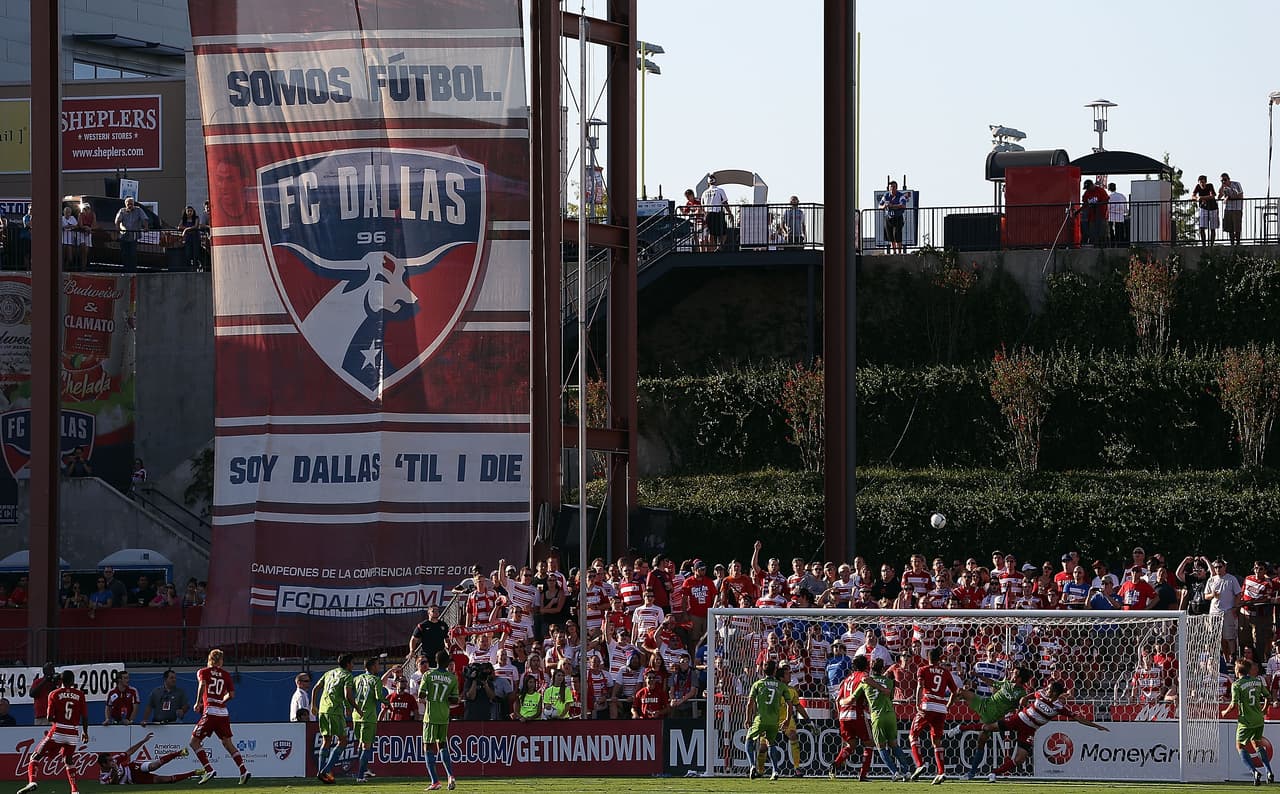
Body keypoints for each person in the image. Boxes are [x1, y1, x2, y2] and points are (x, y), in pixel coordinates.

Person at [983, 679, 1109, 780]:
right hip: (1020, 720)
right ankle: (963, 727)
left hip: (1030, 730)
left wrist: (1097, 726)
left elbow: (1078, 718)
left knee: (1020, 758)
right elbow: (1028, 696)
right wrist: (1024, 699)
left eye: (1049, 688)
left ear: (1054, 693)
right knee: (990, 727)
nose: (1046, 689)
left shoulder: (1059, 707)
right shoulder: (1041, 693)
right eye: (1047, 688)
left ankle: (994, 773)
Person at [18, 670, 88, 794]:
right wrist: (85, 732)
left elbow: (49, 717)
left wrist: (57, 721)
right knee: (68, 761)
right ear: (72, 681)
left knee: (35, 756)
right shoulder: (80, 694)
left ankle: (32, 781)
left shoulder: (54, 694)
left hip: (58, 731)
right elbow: (85, 716)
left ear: (60, 681)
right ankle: (74, 790)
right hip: (73, 733)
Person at [959, 667, 1033, 780]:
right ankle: (947, 711)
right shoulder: (1006, 683)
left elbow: (1021, 708)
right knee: (960, 692)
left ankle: (971, 773)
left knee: (981, 741)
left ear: (1019, 678)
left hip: (992, 718)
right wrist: (977, 675)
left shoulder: (1021, 693)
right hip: (984, 704)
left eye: (1015, 673)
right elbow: (992, 683)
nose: (1012, 673)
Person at [190, 648, 249, 785]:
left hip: (210, 711)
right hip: (223, 712)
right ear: (221, 661)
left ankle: (208, 769)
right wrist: (222, 700)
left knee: (194, 742)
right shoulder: (226, 675)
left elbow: (202, 685)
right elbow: (232, 695)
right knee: (227, 743)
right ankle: (243, 770)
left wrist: (198, 702)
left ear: (209, 659)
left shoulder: (203, 672)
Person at [908, 647, 962, 784]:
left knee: (913, 735)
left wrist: (917, 704)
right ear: (939, 659)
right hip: (941, 709)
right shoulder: (946, 672)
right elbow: (955, 693)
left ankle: (920, 764)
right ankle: (941, 772)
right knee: (937, 741)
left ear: (928, 657)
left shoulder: (923, 669)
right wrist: (948, 706)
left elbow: (920, 686)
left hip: (928, 705)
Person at [856, 657, 914, 781]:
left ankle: (895, 773)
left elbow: (854, 697)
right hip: (890, 715)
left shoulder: (865, 683)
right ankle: (907, 771)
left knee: (881, 747)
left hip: (877, 716)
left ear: (871, 668)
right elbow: (891, 696)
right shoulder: (889, 682)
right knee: (894, 744)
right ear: (883, 669)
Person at [1225, 658, 1274, 785]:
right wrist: (1263, 710)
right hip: (1259, 719)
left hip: (1246, 721)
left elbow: (1234, 704)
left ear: (1237, 670)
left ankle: (1254, 772)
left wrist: (1224, 712)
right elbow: (1268, 697)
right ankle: (1269, 771)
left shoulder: (1236, 685)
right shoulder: (1257, 682)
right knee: (1256, 744)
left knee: (1240, 746)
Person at [312, 653, 357, 784]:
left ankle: (322, 772)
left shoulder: (329, 673)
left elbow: (315, 688)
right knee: (343, 741)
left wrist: (313, 705)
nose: (353, 666)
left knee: (326, 741)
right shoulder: (347, 675)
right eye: (352, 663)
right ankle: (326, 770)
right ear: (348, 664)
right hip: (335, 711)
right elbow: (347, 694)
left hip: (323, 709)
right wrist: (349, 707)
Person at [418, 650, 459, 792]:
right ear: (447, 663)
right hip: (444, 716)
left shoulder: (428, 675)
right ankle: (450, 775)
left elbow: (421, 695)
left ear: (435, 661)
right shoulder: (452, 678)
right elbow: (455, 700)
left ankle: (435, 781)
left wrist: (430, 696)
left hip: (431, 716)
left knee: (428, 748)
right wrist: (444, 699)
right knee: (442, 745)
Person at [97, 731, 198, 785]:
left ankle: (180, 753)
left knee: (153, 766)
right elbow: (114, 784)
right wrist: (114, 772)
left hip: (132, 767)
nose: (113, 761)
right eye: (110, 761)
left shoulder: (115, 759)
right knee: (163, 780)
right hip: (134, 779)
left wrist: (143, 741)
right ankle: (195, 772)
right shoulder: (103, 778)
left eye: (112, 759)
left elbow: (129, 752)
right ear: (104, 765)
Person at [743, 661, 786, 780]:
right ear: (775, 671)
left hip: (760, 719)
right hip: (774, 721)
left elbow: (749, 703)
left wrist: (747, 718)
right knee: (771, 744)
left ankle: (752, 766)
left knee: (749, 739)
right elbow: (789, 703)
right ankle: (775, 771)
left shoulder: (757, 684)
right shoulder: (781, 685)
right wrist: (787, 719)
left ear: (763, 671)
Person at [351, 656, 385, 783]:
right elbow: (378, 696)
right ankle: (360, 776)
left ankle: (363, 770)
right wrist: (387, 703)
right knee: (366, 746)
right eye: (377, 665)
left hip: (356, 716)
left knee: (361, 744)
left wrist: (349, 707)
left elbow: (348, 694)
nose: (379, 667)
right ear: (372, 667)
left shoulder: (356, 679)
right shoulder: (376, 680)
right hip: (368, 716)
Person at [1207, 558, 1243, 657]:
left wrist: (1235, 607)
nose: (1217, 569)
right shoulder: (1211, 579)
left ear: (1224, 567)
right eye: (1215, 567)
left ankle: (1233, 656)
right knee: (1214, 635)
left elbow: (1238, 594)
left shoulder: (1231, 579)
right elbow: (1206, 596)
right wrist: (1212, 595)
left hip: (1227, 611)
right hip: (1214, 611)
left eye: (1220, 567)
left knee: (1230, 636)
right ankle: (1216, 656)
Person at [114, 196, 148, 273]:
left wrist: (146, 227)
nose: (130, 205)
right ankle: (126, 269)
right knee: (125, 253)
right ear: (125, 204)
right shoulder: (122, 211)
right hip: (124, 235)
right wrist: (118, 229)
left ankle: (133, 269)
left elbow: (144, 219)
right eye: (128, 204)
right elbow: (117, 221)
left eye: (131, 204)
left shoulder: (138, 210)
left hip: (134, 235)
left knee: (133, 253)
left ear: (133, 204)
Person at [700, 175, 732, 252]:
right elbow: (725, 202)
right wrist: (730, 213)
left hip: (708, 214)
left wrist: (705, 215)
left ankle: (712, 250)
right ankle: (719, 247)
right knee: (723, 232)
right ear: (715, 181)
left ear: (708, 183)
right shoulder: (720, 190)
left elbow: (702, 205)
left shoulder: (704, 192)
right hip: (718, 213)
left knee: (711, 233)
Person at [1079, 179, 1110, 247]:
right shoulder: (1087, 193)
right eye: (1086, 188)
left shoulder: (1101, 191)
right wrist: (1078, 211)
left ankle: (1104, 248)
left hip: (1102, 216)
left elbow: (1107, 199)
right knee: (1093, 234)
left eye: (1088, 187)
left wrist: (1098, 204)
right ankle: (1095, 247)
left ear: (1092, 185)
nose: (1088, 189)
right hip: (1092, 217)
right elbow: (1085, 203)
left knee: (1102, 233)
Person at [1192, 174, 1219, 245]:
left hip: (1213, 208)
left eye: (1203, 182)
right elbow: (1193, 196)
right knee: (1202, 227)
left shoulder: (1210, 186)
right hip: (1203, 208)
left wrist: (1202, 198)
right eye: (1200, 182)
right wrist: (1197, 198)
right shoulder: (1197, 187)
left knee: (1213, 228)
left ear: (1206, 182)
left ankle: (1211, 244)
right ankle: (1204, 244)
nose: (1202, 184)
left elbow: (1212, 196)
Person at [1219, 173, 1245, 245]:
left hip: (1237, 208)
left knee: (1237, 227)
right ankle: (1232, 243)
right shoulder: (1223, 187)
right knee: (1230, 228)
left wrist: (1230, 198)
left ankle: (1238, 243)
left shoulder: (1236, 184)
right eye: (1222, 180)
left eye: (1225, 180)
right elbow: (1219, 196)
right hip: (1228, 209)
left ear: (1228, 179)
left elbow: (1241, 195)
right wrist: (1222, 187)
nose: (1223, 181)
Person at [178, 206, 201, 271]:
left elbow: (195, 226)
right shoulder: (183, 219)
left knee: (195, 254)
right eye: (188, 211)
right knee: (188, 254)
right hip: (188, 238)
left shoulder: (196, 218)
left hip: (195, 238)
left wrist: (186, 229)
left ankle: (195, 268)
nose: (190, 212)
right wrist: (186, 229)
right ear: (185, 212)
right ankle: (188, 269)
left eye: (191, 211)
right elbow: (179, 227)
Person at [77, 200, 96, 271]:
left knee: (86, 251)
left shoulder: (93, 214)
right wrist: (86, 228)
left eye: (87, 208)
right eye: (85, 208)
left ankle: (84, 268)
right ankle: (82, 268)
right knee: (83, 250)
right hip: (82, 233)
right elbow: (80, 225)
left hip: (88, 233)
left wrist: (90, 229)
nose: (86, 210)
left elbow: (94, 224)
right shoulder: (80, 214)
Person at [61, 205, 79, 270]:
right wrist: (68, 227)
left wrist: (70, 226)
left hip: (70, 240)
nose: (68, 213)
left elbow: (76, 226)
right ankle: (62, 268)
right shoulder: (61, 218)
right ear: (64, 212)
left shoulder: (73, 218)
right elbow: (62, 227)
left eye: (69, 212)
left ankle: (67, 267)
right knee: (62, 255)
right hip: (63, 240)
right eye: (66, 212)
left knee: (70, 257)